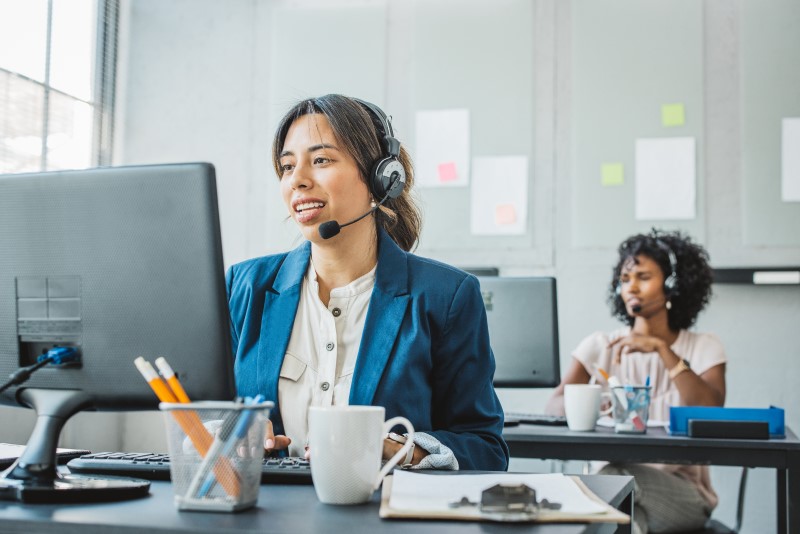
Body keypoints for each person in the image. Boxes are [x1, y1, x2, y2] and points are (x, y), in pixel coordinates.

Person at [225, 94, 509, 471]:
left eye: (321, 160)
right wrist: (235, 437)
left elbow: (486, 448)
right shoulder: (245, 287)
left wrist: (400, 451)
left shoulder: (446, 297)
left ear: (381, 177)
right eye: (286, 166)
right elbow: (211, 417)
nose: (298, 180)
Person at [545, 229, 726, 534]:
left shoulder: (703, 347)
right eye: (625, 279)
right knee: (628, 519)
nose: (632, 288)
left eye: (643, 277)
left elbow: (708, 407)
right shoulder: (600, 346)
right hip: (609, 491)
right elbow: (553, 407)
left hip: (681, 494)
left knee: (618, 479)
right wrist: (592, 405)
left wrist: (662, 350)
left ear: (672, 285)